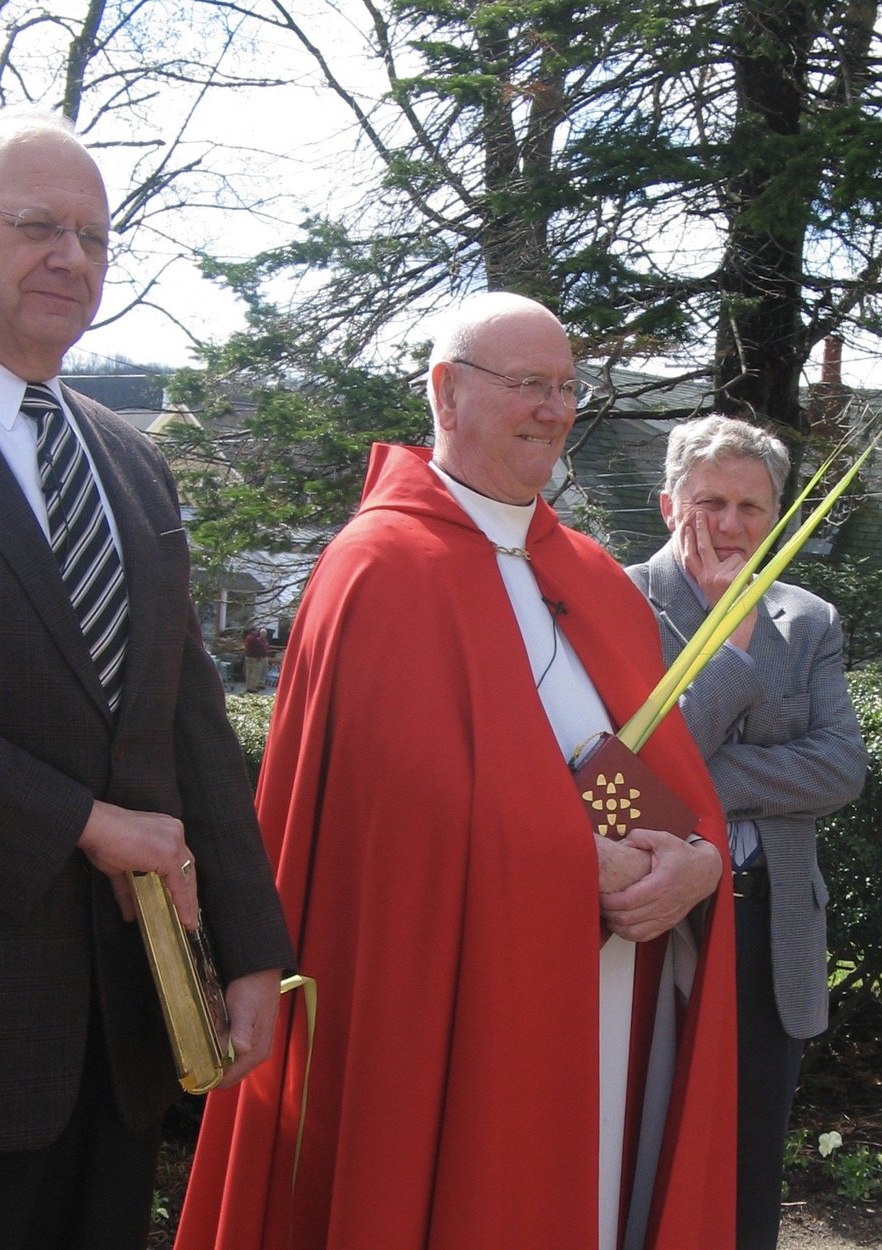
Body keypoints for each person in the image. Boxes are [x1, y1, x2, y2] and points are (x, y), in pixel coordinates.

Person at [175, 292, 738, 1250]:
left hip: (608, 985)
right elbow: (397, 821)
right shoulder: (378, 567)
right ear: (445, 391)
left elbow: (676, 778)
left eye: (565, 387)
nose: (555, 409)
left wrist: (700, 863)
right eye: (527, 384)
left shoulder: (595, 576)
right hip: (448, 999)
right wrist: (574, 864)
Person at [0, 108, 293, 1250]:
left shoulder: (129, 456)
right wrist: (81, 822)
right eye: (37, 227)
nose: (73, 257)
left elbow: (187, 718)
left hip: (125, 1032)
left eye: (96, 236)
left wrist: (254, 949)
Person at [625, 414, 868, 1250]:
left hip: (768, 923)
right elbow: (627, 779)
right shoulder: (613, 603)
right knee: (641, 1150)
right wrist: (729, 653)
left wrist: (699, 777)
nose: (731, 527)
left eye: (752, 508)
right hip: (646, 920)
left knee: (747, 1160)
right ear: (668, 505)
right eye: (710, 504)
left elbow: (840, 768)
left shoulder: (808, 620)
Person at [243, 626, 270, 692]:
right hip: (254, 658)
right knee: (255, 673)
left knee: (249, 672)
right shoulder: (254, 639)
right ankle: (252, 687)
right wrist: (259, 655)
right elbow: (257, 648)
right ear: (253, 631)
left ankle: (248, 686)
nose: (257, 632)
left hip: (249, 656)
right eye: (256, 630)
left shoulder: (248, 637)